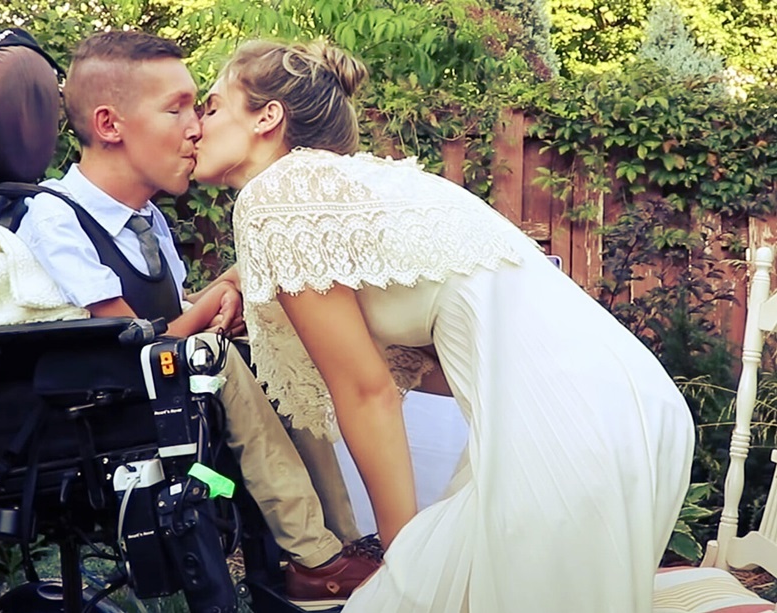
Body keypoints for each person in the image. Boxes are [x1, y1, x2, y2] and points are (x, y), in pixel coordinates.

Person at [192, 38, 696, 612]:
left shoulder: (278, 198)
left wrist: (401, 561)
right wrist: (231, 286)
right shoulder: (341, 191)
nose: (195, 126)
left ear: (267, 117)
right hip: (631, 409)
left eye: (210, 106)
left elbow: (366, 391)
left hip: (569, 425)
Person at [14, 30, 380, 609]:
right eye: (177, 108)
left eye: (198, 107)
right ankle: (314, 555)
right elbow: (129, 347)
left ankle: (346, 539)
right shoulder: (57, 220)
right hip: (98, 407)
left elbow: (171, 321)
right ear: (110, 125)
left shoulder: (148, 220)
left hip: (168, 391)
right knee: (219, 355)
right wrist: (215, 303)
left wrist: (223, 300)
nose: (196, 126)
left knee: (277, 342)